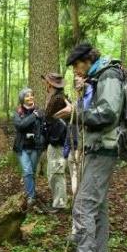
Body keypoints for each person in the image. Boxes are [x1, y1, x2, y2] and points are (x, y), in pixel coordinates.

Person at [57, 43, 124, 252]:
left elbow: (108, 114)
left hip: (103, 149)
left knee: (83, 206)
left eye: (77, 65)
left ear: (88, 60)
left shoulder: (109, 76)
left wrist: (75, 113)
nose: (75, 70)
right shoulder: (97, 78)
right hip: (97, 148)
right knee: (99, 205)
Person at [13, 88, 45, 206]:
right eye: (27, 96)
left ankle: (30, 191)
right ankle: (31, 197)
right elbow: (20, 125)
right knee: (27, 171)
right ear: (22, 99)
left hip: (36, 146)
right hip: (22, 147)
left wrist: (42, 140)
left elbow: (43, 127)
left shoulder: (39, 111)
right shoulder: (18, 112)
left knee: (32, 171)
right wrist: (33, 117)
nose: (30, 98)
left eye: (31, 96)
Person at [42, 73, 69, 212]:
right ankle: (57, 201)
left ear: (51, 84)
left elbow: (53, 120)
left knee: (57, 172)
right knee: (52, 172)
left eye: (47, 82)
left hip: (58, 142)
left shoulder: (58, 99)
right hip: (54, 141)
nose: (45, 84)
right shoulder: (53, 97)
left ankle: (60, 204)